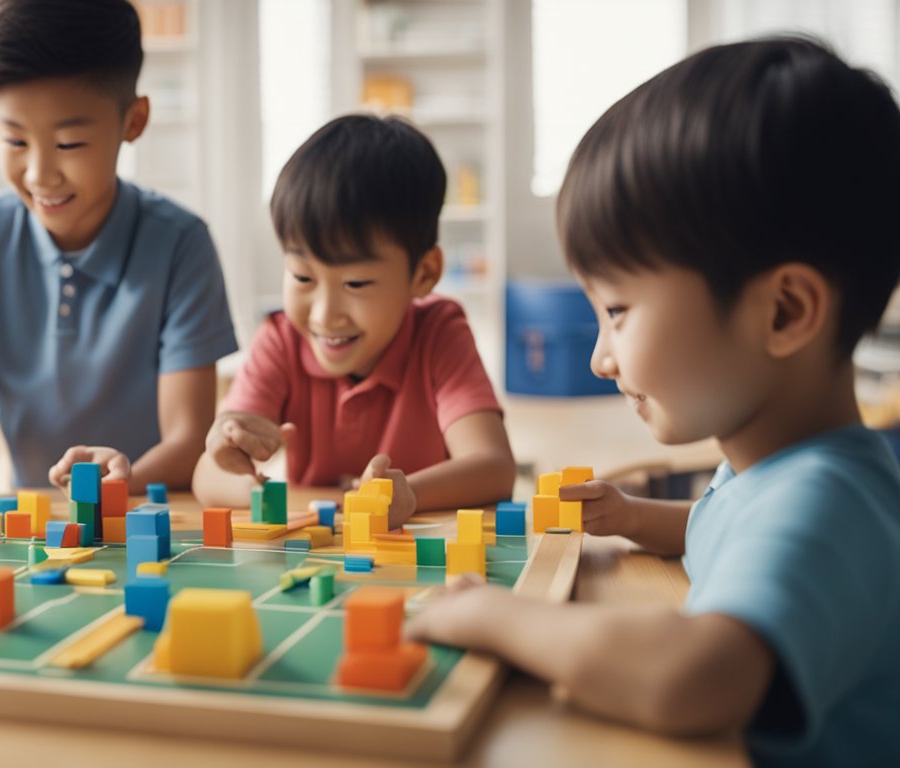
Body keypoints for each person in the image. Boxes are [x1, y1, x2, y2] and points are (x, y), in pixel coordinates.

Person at [405, 38, 900, 766]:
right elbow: (727, 531)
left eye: (619, 312)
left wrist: (492, 616)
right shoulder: (778, 471)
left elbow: (693, 675)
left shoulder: (828, 503)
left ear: (785, 312)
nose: (602, 358)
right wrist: (638, 520)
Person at [0, 0, 236, 494]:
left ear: (133, 121)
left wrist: (107, 491)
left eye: (68, 144)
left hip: (147, 514)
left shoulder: (181, 244)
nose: (39, 174)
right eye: (15, 141)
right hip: (35, 522)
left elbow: (188, 438)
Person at [192, 114, 516, 528]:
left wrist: (410, 495)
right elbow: (207, 476)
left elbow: (493, 467)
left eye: (356, 283)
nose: (325, 314)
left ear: (424, 274)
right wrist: (238, 466)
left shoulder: (439, 332)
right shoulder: (281, 338)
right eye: (303, 277)